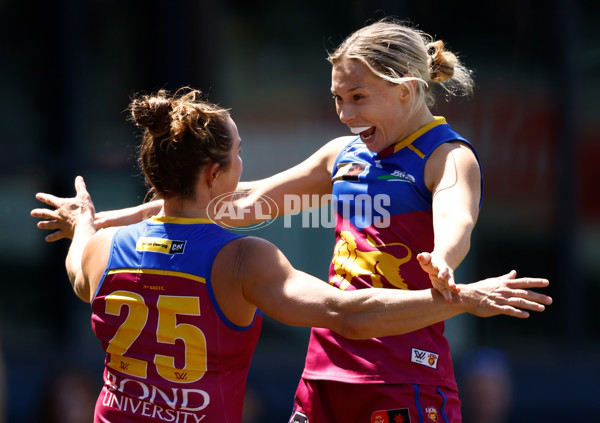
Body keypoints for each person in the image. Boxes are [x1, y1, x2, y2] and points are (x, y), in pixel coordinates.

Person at [31, 88, 552, 422]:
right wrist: (461, 299)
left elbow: (82, 250)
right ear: (215, 174)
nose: (244, 163)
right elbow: (347, 314)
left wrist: (87, 219)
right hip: (382, 375)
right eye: (239, 155)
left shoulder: (97, 253)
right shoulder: (243, 261)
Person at [80, 18, 489, 422]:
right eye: (337, 98)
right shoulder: (341, 155)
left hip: (403, 373)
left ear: (407, 90)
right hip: (323, 371)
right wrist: (102, 221)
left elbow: (458, 219)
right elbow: (235, 201)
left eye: (358, 97)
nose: (345, 114)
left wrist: (443, 257)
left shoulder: (447, 156)